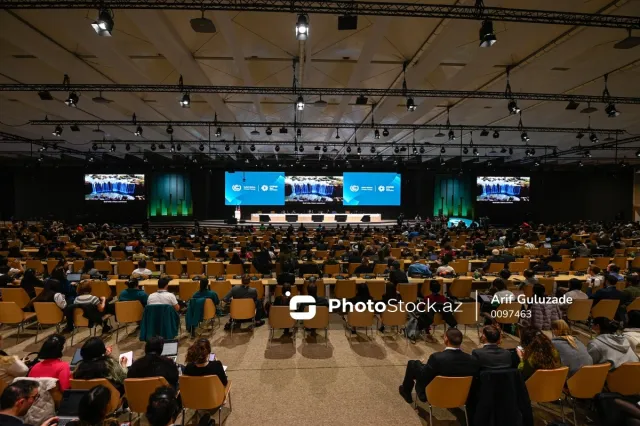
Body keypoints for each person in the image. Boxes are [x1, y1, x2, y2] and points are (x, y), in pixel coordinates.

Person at [398, 328, 479, 404]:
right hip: (461, 396)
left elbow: (424, 376)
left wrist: (419, 363)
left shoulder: (437, 358)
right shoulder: (472, 359)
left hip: (433, 395)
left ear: (446, 339)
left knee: (413, 364)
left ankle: (406, 392)